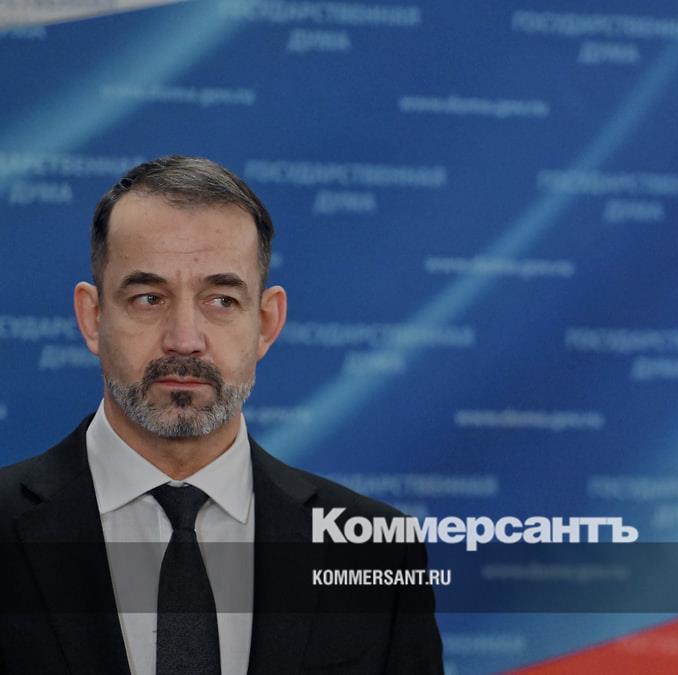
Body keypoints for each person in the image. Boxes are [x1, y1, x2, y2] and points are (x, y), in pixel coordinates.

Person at [0, 156, 443, 674]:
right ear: (92, 317)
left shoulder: (374, 550)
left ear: (266, 322)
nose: (184, 339)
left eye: (222, 300)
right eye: (148, 298)